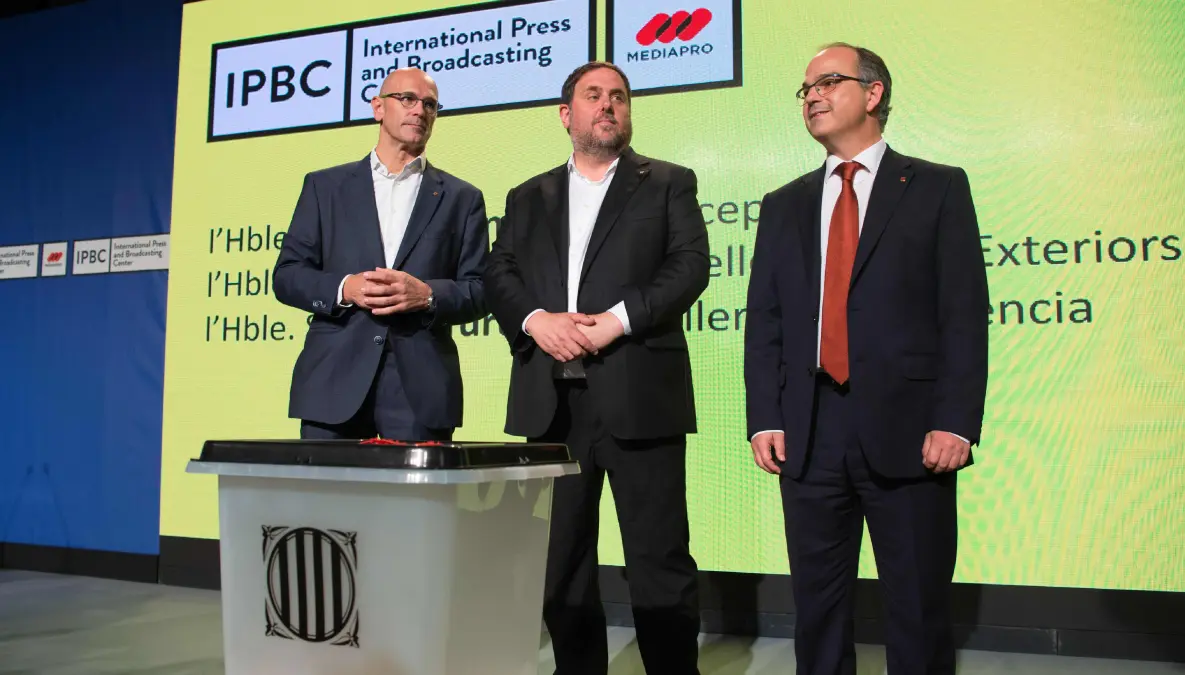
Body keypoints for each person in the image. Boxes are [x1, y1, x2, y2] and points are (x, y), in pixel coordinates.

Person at [744, 43, 989, 675]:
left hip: (911, 431)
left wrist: (956, 421)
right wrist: (765, 416)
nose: (813, 97)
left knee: (917, 607)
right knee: (817, 611)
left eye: (828, 82)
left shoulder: (937, 187)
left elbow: (963, 314)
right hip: (809, 431)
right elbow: (766, 321)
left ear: (873, 93)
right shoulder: (783, 203)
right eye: (806, 89)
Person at [483, 61, 709, 675]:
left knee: (659, 560)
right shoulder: (527, 196)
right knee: (560, 563)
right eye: (593, 95)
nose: (608, 105)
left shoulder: (667, 182)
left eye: (618, 96)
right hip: (552, 406)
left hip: (640, 396)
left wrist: (617, 320)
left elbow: (689, 265)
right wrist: (536, 320)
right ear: (566, 114)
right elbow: (499, 273)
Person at [273, 68, 489, 441]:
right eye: (407, 99)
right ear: (378, 107)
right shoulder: (325, 187)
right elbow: (288, 276)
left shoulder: (462, 198)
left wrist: (427, 295)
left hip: (420, 392)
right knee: (329, 483)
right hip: (333, 385)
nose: (419, 110)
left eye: (430, 104)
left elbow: (481, 289)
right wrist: (346, 288)